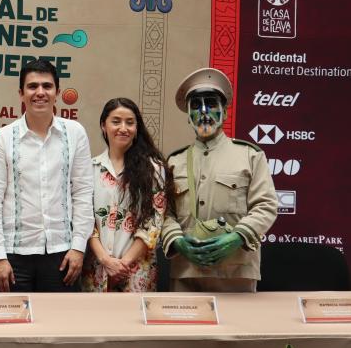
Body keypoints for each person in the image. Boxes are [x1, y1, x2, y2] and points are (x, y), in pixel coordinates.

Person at [161, 68, 278, 292]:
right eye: (195, 105)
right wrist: (178, 241)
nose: (204, 111)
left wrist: (237, 237)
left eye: (212, 104)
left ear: (224, 111)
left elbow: (266, 205)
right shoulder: (174, 162)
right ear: (188, 115)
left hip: (236, 271)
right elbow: (164, 212)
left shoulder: (250, 156)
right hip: (186, 271)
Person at [0, 60, 93, 293]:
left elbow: (83, 194)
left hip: (63, 254)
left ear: (57, 93)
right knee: (11, 329)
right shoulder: (2, 138)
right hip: (12, 257)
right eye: (32, 87)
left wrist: (79, 248)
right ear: (21, 93)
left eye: (47, 86)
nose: (40, 93)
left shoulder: (75, 133)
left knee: (59, 328)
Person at [81, 98, 170, 292]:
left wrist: (124, 263)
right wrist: (106, 260)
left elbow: (153, 221)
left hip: (138, 270)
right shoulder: (90, 168)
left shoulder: (153, 168)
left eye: (130, 122)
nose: (123, 128)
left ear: (137, 128)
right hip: (97, 268)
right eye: (116, 121)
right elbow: (84, 219)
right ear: (103, 126)